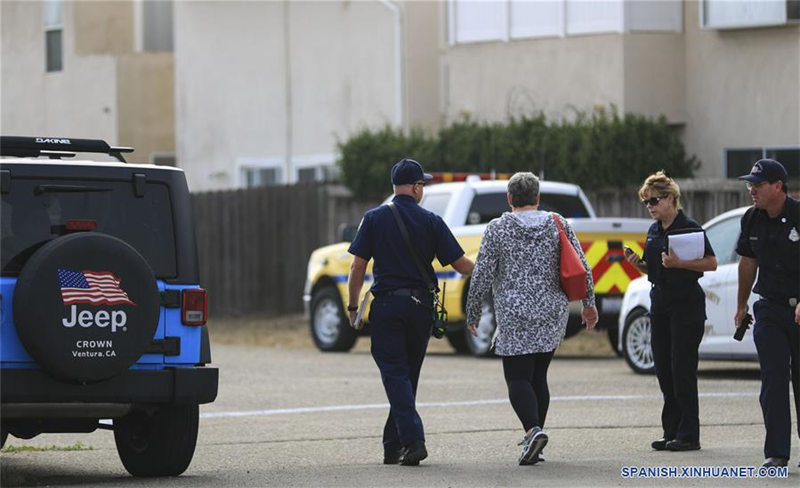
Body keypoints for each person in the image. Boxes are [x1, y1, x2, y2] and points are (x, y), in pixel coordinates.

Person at [347, 158, 475, 466]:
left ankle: (414, 441)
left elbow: (357, 266)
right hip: (421, 308)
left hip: (388, 307)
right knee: (406, 377)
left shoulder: (374, 218)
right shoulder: (431, 220)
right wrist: (493, 271)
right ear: (416, 188)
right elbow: (461, 265)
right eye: (423, 185)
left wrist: (353, 306)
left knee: (395, 375)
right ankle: (393, 447)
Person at [464, 172, 598, 466]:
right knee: (539, 375)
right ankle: (535, 438)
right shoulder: (557, 223)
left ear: (509, 198)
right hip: (553, 311)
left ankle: (532, 431)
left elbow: (482, 273)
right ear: (537, 198)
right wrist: (589, 304)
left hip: (514, 312)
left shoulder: (497, 228)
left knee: (517, 377)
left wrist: (472, 311)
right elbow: (583, 267)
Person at [624, 171, 717, 453]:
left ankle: (689, 434)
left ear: (671, 199)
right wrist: (637, 264)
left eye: (654, 200)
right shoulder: (654, 230)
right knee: (663, 369)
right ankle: (672, 430)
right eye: (646, 202)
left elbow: (711, 263)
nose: (650, 206)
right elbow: (656, 268)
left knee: (682, 369)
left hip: (686, 304)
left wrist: (679, 264)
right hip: (661, 303)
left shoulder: (689, 227)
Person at [733, 159, 800, 468]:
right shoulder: (751, 218)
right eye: (750, 185)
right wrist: (741, 304)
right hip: (769, 308)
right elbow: (747, 262)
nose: (752, 190)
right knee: (773, 379)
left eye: (757, 185)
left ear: (778, 186)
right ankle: (776, 453)